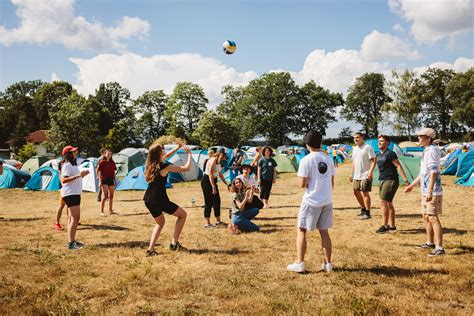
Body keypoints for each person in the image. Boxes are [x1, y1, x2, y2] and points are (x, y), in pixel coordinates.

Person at [287, 130, 335, 273]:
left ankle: (300, 262)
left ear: (307, 144)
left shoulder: (305, 160)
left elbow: (302, 184)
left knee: (301, 230)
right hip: (327, 199)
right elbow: (332, 182)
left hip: (312, 200)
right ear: (321, 143)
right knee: (324, 232)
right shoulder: (329, 159)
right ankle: (328, 264)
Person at [144, 142, 192, 256]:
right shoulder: (165, 166)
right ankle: (174, 244)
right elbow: (186, 168)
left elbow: (166, 156)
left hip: (148, 199)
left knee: (160, 223)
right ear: (159, 152)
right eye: (162, 148)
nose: (164, 149)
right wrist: (189, 155)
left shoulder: (151, 164)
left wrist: (177, 148)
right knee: (182, 215)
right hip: (159, 200)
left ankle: (150, 249)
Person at [405, 128, 445, 257]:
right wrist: (412, 185)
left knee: (433, 217)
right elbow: (424, 173)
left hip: (432, 191)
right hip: (425, 189)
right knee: (426, 216)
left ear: (428, 138)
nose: (418, 138)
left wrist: (430, 191)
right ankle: (429, 243)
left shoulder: (432, 151)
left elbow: (433, 172)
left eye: (421, 136)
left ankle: (439, 248)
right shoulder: (426, 151)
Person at [375, 135, 410, 234]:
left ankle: (385, 226)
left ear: (387, 143)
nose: (379, 143)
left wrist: (406, 180)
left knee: (383, 202)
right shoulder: (378, 155)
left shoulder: (390, 154)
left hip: (391, 180)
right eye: (379, 141)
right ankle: (392, 226)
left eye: (382, 141)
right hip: (382, 180)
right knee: (389, 203)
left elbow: (398, 166)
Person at [60, 145, 89, 250]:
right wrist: (78, 175)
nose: (75, 153)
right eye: (73, 151)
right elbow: (63, 180)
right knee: (75, 218)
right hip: (71, 194)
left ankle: (71, 241)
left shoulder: (72, 165)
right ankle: (71, 243)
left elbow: (73, 178)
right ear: (68, 154)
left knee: (71, 218)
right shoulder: (67, 165)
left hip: (74, 193)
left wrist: (82, 175)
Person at [200, 148, 230, 228]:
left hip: (213, 180)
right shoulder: (213, 160)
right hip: (207, 181)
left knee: (217, 201)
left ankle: (218, 221)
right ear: (220, 153)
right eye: (224, 155)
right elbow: (210, 174)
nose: (225, 156)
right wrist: (213, 187)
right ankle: (207, 223)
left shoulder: (219, 161)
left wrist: (226, 183)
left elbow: (220, 174)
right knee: (208, 202)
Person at [349, 132, 376, 220]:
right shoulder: (354, 148)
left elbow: (374, 160)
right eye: (354, 138)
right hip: (356, 175)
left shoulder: (367, 147)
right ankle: (363, 209)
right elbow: (354, 162)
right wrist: (351, 173)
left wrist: (370, 172)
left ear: (362, 138)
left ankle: (368, 213)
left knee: (365, 192)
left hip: (365, 174)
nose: (355, 139)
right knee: (355, 192)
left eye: (357, 137)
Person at [97, 149, 117, 216]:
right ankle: (102, 211)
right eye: (108, 153)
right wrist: (100, 181)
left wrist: (115, 180)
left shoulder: (112, 162)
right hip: (104, 180)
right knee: (105, 196)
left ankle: (110, 210)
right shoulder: (102, 162)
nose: (109, 155)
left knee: (111, 196)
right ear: (105, 154)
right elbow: (99, 172)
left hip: (111, 180)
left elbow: (114, 172)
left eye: (110, 154)